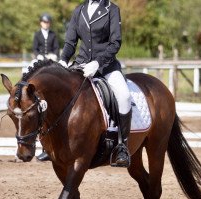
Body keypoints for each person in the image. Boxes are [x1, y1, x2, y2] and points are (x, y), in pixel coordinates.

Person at [59, 0, 132, 167]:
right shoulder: (79, 10)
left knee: (124, 97)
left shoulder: (112, 9)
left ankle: (122, 146)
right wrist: (63, 60)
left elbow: (115, 43)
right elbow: (71, 42)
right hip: (82, 64)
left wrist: (98, 62)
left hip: (106, 66)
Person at [34, 13, 60, 162]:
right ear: (41, 23)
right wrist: (38, 56)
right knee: (28, 74)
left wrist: (53, 56)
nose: (46, 24)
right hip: (38, 61)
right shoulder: (37, 35)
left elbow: (56, 49)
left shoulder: (53, 35)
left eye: (48, 22)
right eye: (44, 22)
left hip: (50, 60)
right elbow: (35, 48)